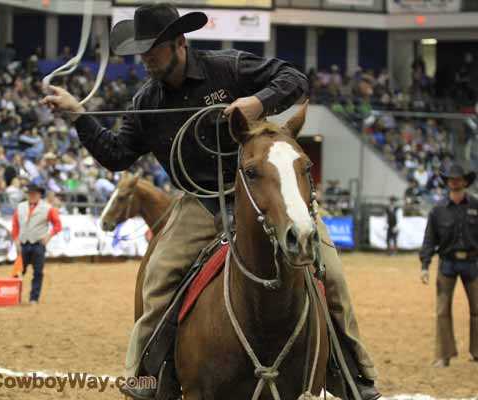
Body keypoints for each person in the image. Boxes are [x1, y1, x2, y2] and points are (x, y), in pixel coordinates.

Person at [41, 4, 380, 399]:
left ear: (179, 43)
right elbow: (116, 154)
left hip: (259, 191)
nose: (147, 59)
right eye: (142, 52)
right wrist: (80, 115)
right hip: (198, 202)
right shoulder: (145, 101)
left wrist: (258, 101)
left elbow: (294, 79)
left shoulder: (228, 67)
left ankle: (354, 370)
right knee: (158, 280)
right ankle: (149, 377)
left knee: (331, 272)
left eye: (154, 50)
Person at [420, 163, 478, 367]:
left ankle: (477, 352)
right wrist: (425, 265)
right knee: (442, 310)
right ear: (447, 183)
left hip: (473, 263)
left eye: (458, 178)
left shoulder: (476, 205)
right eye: (451, 179)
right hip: (447, 263)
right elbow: (429, 239)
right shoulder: (437, 210)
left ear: (464, 181)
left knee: (477, 309)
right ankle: (444, 355)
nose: (454, 181)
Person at [11, 184, 62, 304]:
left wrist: (48, 236)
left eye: (34, 193)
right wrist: (16, 240)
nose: (32, 195)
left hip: (38, 244)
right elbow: (15, 225)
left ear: (39, 194)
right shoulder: (20, 207)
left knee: (38, 272)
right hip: (23, 244)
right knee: (18, 272)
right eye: (30, 193)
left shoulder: (47, 208)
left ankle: (34, 298)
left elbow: (58, 225)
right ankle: (13, 296)